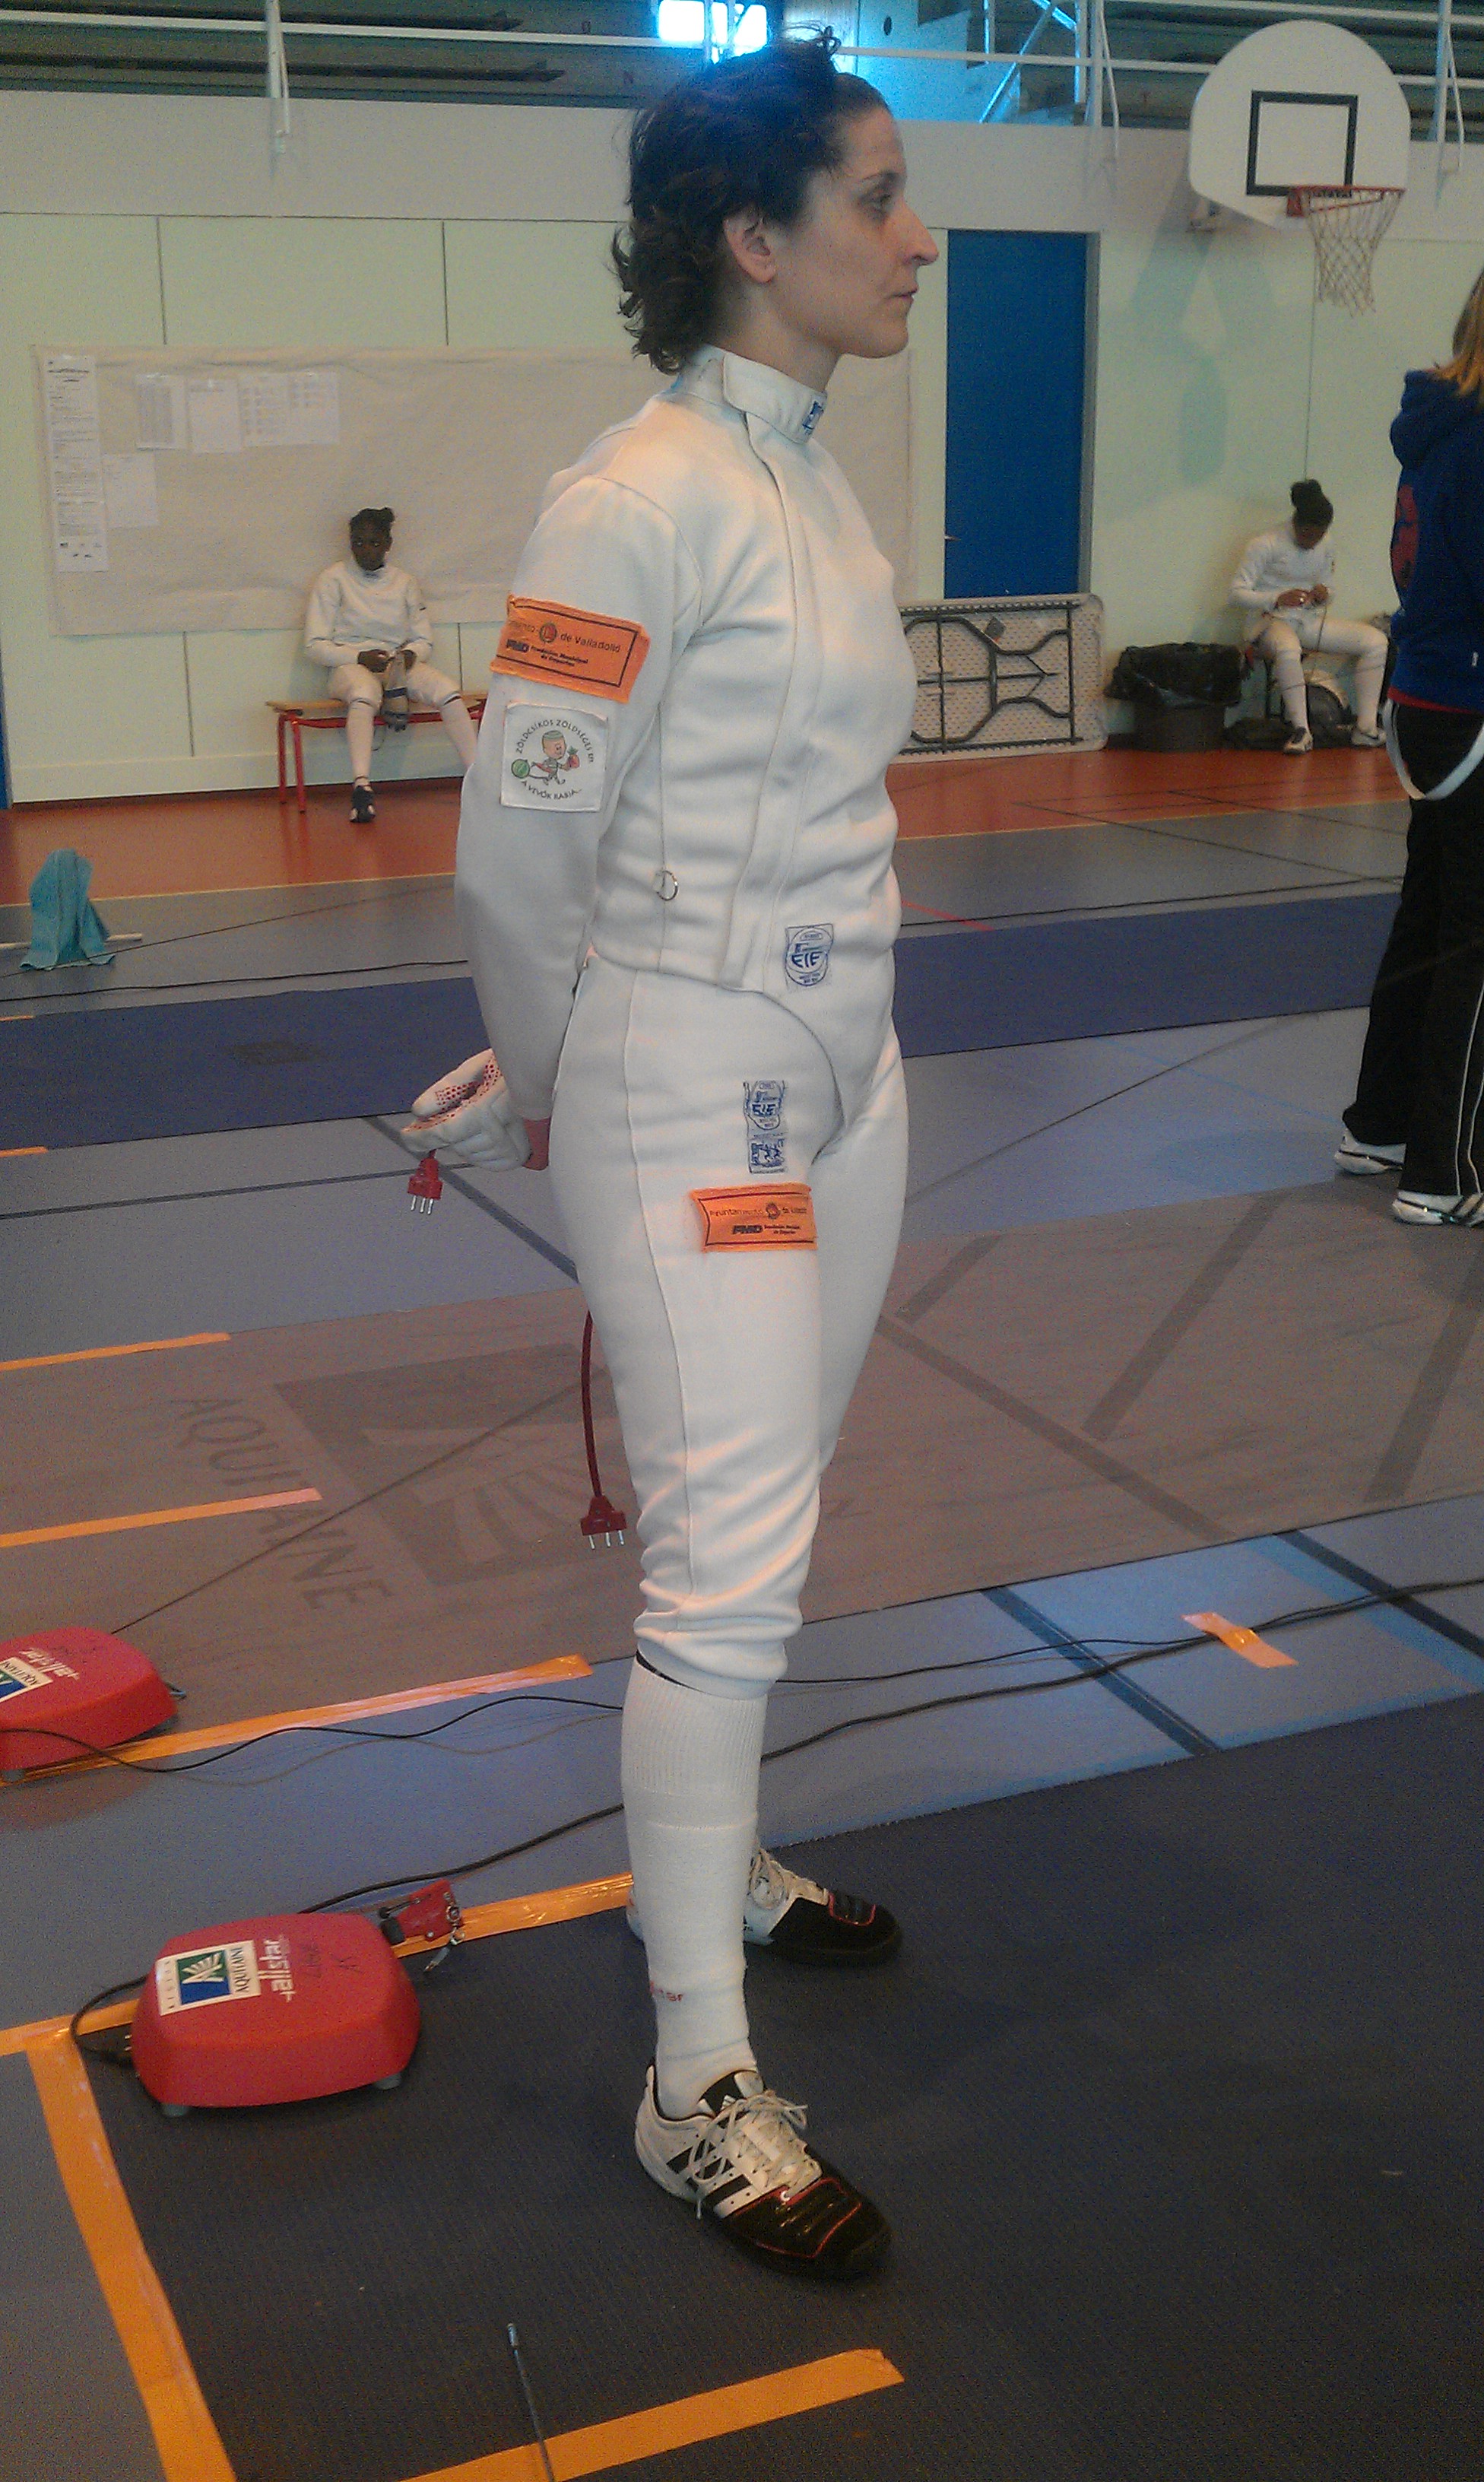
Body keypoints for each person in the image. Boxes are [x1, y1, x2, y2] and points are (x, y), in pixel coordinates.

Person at [441, 36, 935, 2277]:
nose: (914, 238)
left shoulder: (813, 479)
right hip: (692, 1075)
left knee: (775, 1520)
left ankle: (717, 1861)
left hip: (847, 1066)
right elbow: (517, 848)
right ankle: (692, 2081)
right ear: (752, 236)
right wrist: (564, 1087)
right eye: (875, 197)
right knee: (721, 1575)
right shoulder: (628, 496)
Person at [1337, 268, 1484, 1224]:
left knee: (1426, 919)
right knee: (1472, 942)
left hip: (1425, 698)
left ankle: (1380, 1125)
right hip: (1468, 704)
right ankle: (1444, 1171)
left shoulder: (1436, 426)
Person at [305, 507, 479, 823]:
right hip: (348, 666)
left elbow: (423, 640)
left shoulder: (404, 582)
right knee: (364, 693)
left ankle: (478, 779)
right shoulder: (333, 579)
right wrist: (358, 657)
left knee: (448, 692)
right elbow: (315, 646)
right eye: (358, 543)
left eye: (374, 543)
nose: (366, 551)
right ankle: (361, 788)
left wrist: (410, 655)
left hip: (397, 664)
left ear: (388, 544)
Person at [1230, 479, 1388, 755]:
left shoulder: (1326, 544)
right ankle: (1301, 730)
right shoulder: (1265, 544)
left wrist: (1324, 594)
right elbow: (1236, 593)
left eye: (1319, 535)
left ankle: (1365, 728)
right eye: (1307, 535)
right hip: (1268, 623)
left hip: (1306, 620)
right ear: (1296, 524)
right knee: (1288, 647)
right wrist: (1276, 598)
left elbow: (1329, 587)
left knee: (1376, 642)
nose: (1312, 541)